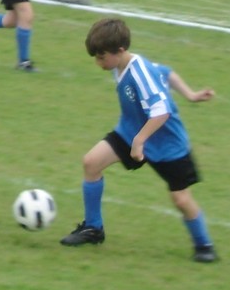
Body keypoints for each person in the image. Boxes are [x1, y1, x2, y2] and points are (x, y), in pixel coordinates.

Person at [59, 17, 218, 263]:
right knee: (91, 162)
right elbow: (165, 72)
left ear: (120, 50)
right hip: (130, 132)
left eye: (101, 57)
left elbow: (162, 111)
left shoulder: (139, 72)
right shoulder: (121, 65)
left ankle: (204, 245)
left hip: (167, 144)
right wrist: (190, 94)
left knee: (181, 199)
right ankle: (93, 228)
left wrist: (140, 141)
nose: (98, 63)